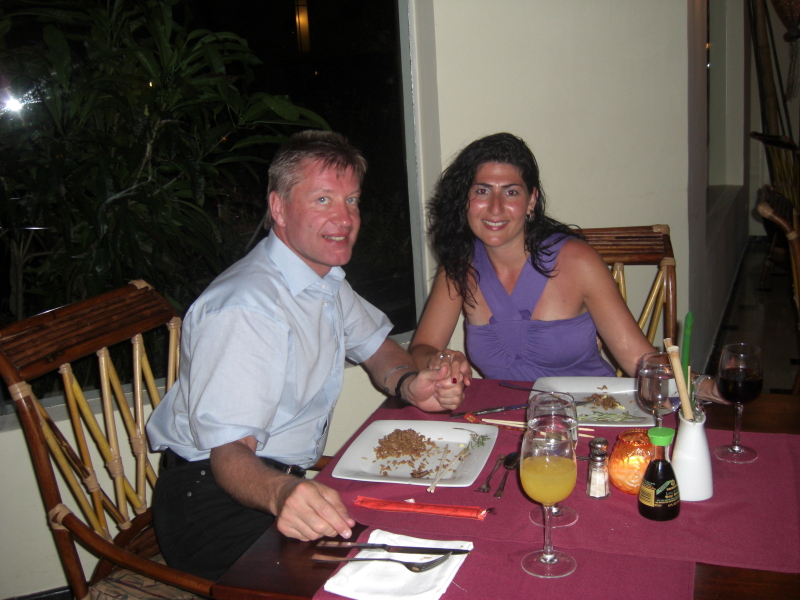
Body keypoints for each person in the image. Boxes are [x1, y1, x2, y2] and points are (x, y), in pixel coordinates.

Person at [147, 130, 466, 580]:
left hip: (276, 481)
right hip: (212, 506)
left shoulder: (323, 278)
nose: (344, 218)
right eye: (322, 200)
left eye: (351, 200)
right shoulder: (247, 308)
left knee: (431, 526)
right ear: (278, 208)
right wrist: (282, 493)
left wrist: (409, 384)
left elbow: (377, 348)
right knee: (379, 575)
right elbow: (228, 454)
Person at [409, 132, 657, 381]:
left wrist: (680, 377)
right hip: (501, 406)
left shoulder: (578, 260)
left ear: (531, 201)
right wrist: (441, 361)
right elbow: (421, 349)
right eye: (482, 191)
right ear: (464, 200)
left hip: (592, 404)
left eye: (511, 193)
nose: (495, 208)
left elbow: (639, 360)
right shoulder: (459, 266)